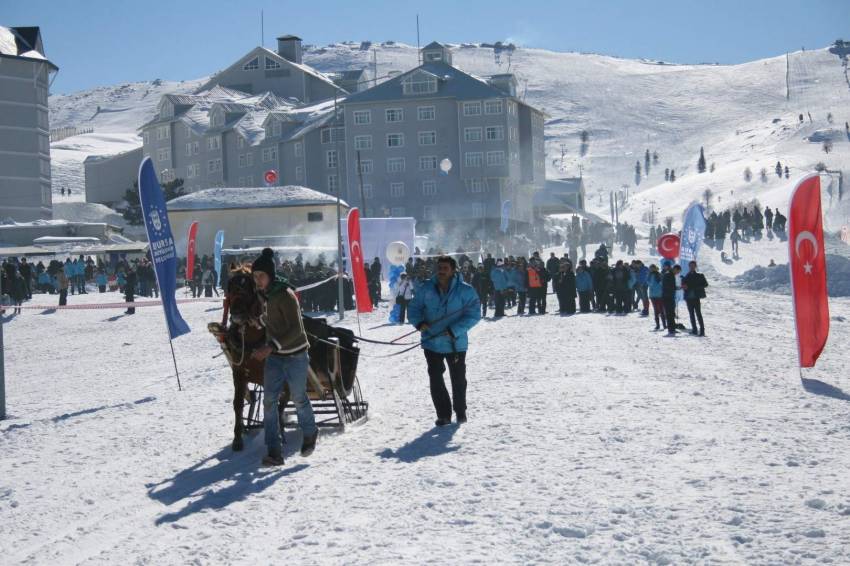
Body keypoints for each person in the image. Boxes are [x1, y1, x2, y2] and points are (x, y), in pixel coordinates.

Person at [250, 248, 317, 466]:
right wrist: (260, 321)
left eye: (261, 276)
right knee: (269, 402)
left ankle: (310, 431)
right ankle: (274, 452)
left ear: (270, 274)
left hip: (295, 355)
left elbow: (296, 329)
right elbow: (271, 317)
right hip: (276, 358)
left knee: (298, 397)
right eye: (255, 276)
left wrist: (270, 346)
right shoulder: (266, 295)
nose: (258, 280)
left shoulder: (286, 295)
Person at [407, 255, 481, 426]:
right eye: (439, 268)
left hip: (455, 343)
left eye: (445, 268)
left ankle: (460, 411)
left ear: (453, 270)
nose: (441, 271)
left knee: (458, 379)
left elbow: (475, 314)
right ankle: (443, 415)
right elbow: (414, 308)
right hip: (431, 342)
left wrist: (454, 330)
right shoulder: (426, 288)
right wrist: (419, 323)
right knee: (435, 378)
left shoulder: (466, 290)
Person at [681, 261, 708, 336]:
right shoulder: (687, 275)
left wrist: (695, 287)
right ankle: (694, 330)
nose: (692, 267)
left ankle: (702, 331)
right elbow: (684, 286)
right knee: (691, 315)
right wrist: (684, 286)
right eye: (690, 266)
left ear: (695, 266)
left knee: (698, 314)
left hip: (696, 297)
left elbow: (705, 284)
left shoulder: (699, 275)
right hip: (688, 298)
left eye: (693, 266)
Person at [662, 263, 680, 335]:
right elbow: (668, 286)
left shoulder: (670, 275)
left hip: (670, 296)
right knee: (669, 313)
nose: (677, 273)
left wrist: (676, 288)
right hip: (667, 296)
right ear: (675, 269)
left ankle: (672, 328)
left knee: (671, 313)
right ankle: (671, 329)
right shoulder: (668, 275)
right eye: (677, 272)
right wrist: (676, 288)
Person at [647, 264, 666, 330]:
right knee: (656, 310)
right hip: (652, 295)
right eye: (650, 268)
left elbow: (662, 283)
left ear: (655, 268)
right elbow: (649, 283)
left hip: (659, 294)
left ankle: (664, 324)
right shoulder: (649, 275)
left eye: (652, 268)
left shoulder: (659, 275)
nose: (651, 270)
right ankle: (657, 325)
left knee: (661, 310)